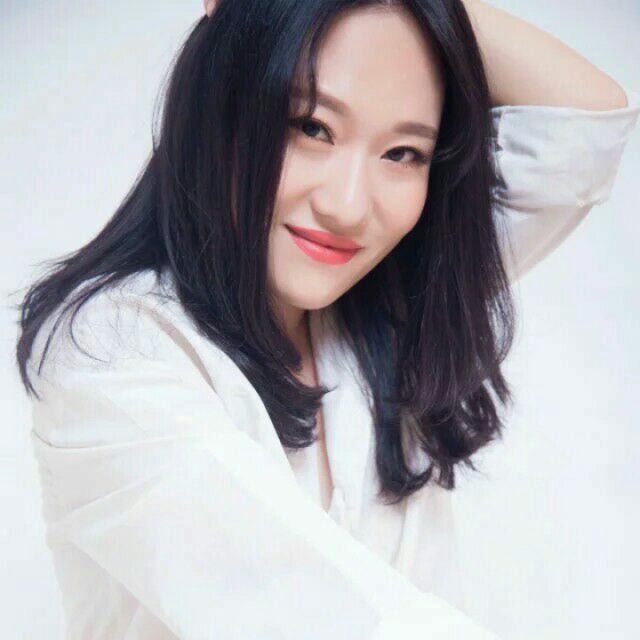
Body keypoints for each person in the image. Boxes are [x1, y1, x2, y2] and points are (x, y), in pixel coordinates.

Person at [15, 1, 639, 638]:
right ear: (221, 103)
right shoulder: (111, 347)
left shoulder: (384, 309)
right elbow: (316, 617)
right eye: (312, 128)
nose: (347, 207)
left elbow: (582, 129)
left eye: (403, 153)